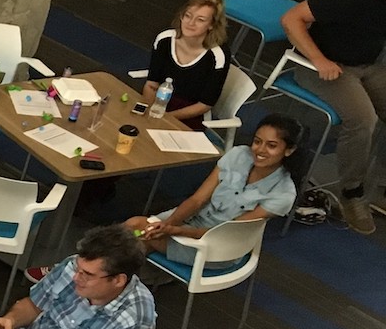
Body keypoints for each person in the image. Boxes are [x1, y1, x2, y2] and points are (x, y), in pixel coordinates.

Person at [280, 0, 386, 234]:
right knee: (363, 120)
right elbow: (291, 19)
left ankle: (382, 185)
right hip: (324, 65)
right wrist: (318, 60)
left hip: (367, 65)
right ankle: (353, 193)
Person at [123, 113, 304, 266]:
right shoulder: (239, 154)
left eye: (271, 146)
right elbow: (197, 200)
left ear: (289, 150)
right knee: (133, 230)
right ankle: (118, 285)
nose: (260, 150)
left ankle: (112, 285)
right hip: (192, 221)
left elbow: (227, 231)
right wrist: (170, 223)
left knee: (135, 235)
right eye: (257, 142)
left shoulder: (283, 194)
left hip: (219, 246)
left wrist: (175, 231)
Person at [0, 226, 156, 329]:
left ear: (118, 280)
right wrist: (10, 320)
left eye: (87, 274)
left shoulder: (135, 319)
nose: (76, 277)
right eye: (78, 268)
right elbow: (34, 304)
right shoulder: (72, 266)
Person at [144, 0, 231, 126]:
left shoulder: (218, 56)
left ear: (212, 25)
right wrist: (150, 111)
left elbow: (205, 104)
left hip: (187, 115)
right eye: (188, 16)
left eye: (200, 20)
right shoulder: (164, 40)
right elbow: (152, 84)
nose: (191, 23)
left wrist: (167, 118)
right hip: (157, 104)